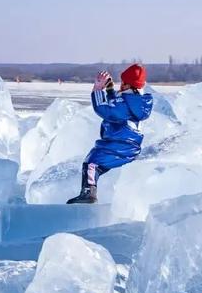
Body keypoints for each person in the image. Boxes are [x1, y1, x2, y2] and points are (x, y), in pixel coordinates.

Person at [66, 63, 153, 204]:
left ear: (127, 85)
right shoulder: (136, 102)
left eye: (123, 82)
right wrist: (110, 90)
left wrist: (97, 90)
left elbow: (105, 110)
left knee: (91, 163)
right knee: (97, 164)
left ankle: (88, 194)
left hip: (119, 145)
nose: (121, 85)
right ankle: (91, 191)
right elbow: (117, 106)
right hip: (128, 144)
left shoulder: (125, 104)